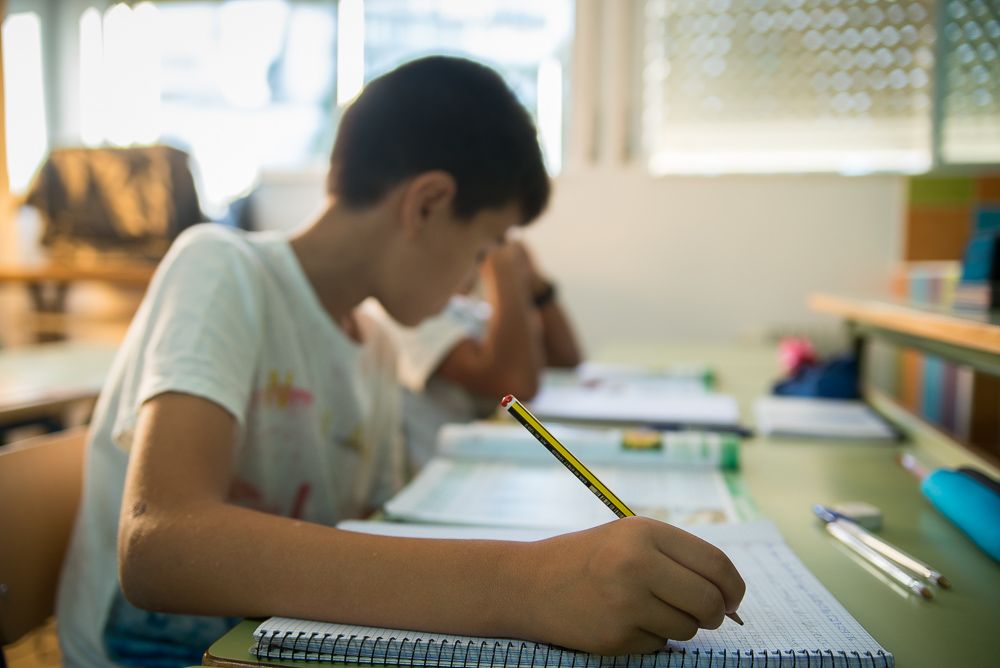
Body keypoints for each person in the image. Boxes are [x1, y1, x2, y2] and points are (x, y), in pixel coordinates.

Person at [56, 56, 745, 668]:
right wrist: (528, 583)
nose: (473, 281)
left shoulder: (378, 344)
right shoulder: (221, 267)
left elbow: (369, 533)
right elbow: (159, 547)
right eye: (483, 249)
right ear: (428, 204)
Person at [380, 237, 584, 470]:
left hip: (484, 467)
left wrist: (538, 289)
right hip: (445, 478)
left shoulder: (465, 308)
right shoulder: (407, 312)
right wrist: (503, 271)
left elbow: (564, 362)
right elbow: (517, 388)